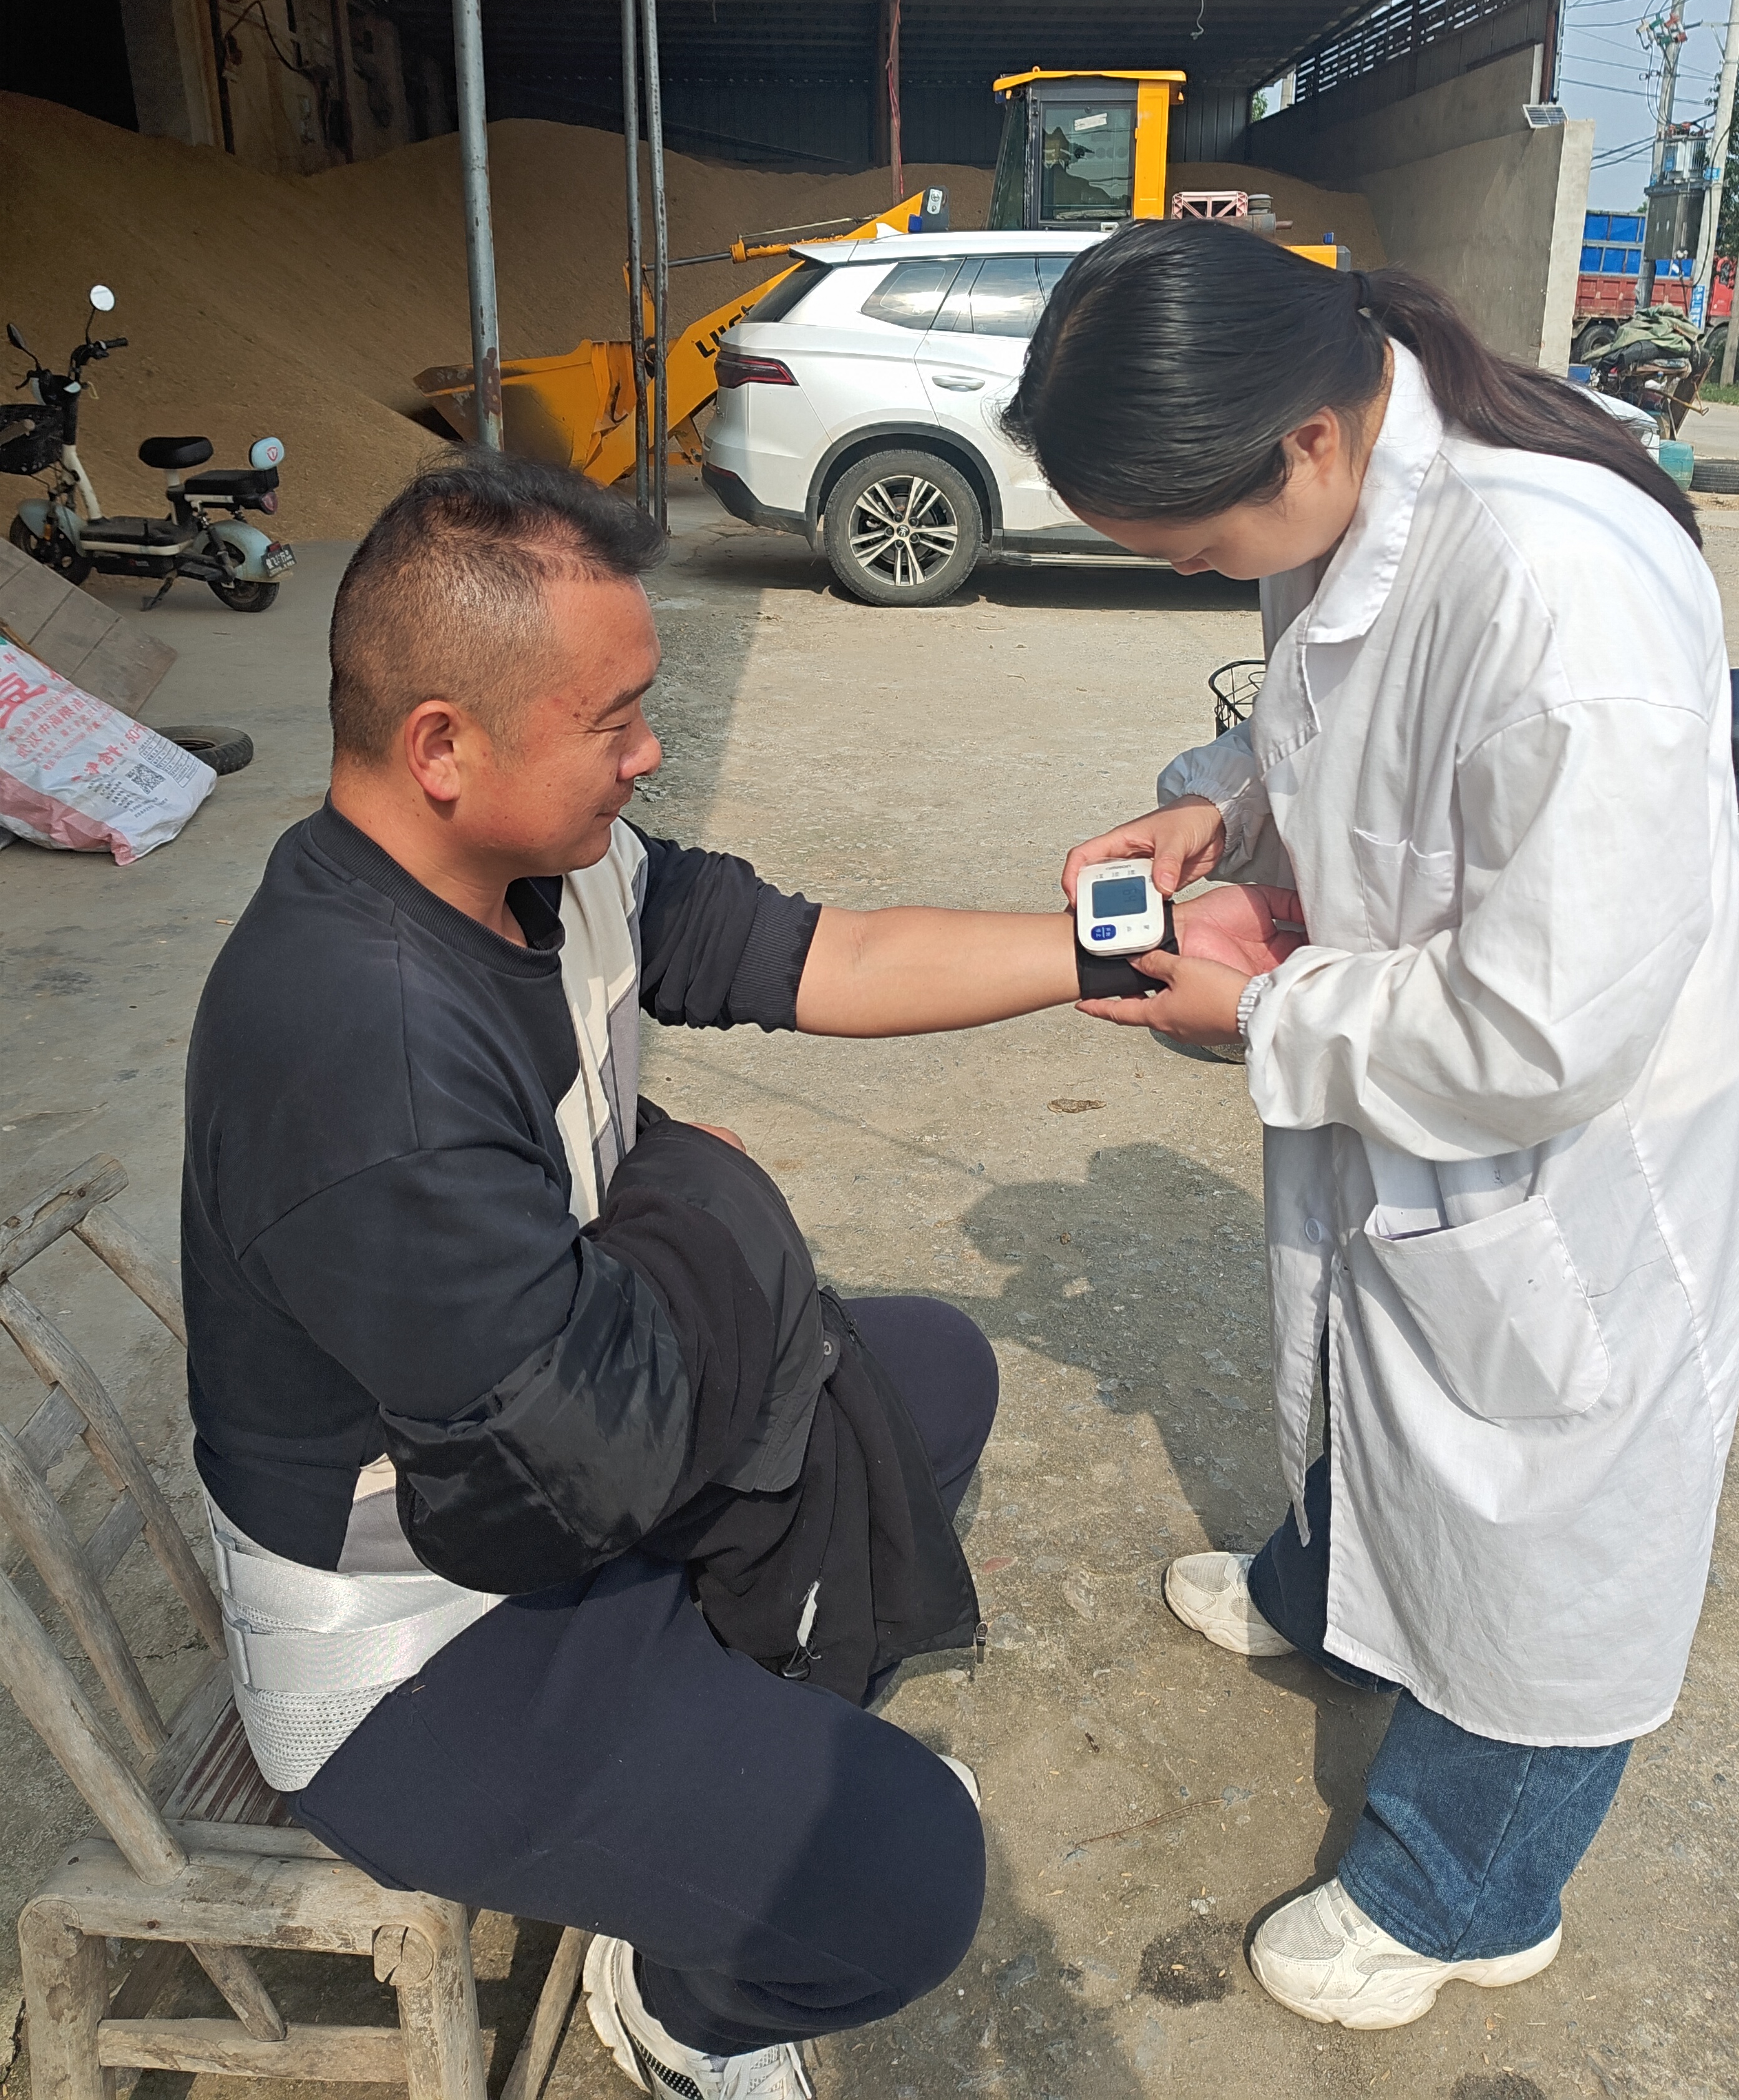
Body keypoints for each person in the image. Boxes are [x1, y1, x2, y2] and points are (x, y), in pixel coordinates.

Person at [182, 450, 1267, 2100]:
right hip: (426, 1629)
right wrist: (701, 1190)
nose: (649, 752)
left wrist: (1107, 951)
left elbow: (827, 953)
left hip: (568, 1463)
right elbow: (590, 1454)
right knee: (904, 1879)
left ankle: (724, 1745)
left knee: (930, 1378)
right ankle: (686, 2011)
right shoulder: (356, 1049)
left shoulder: (553, 868)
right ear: (442, 748)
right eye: (612, 720)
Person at [1003, 223, 1739, 2033]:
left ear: (1308, 442)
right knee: (1369, 1356)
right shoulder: (1350, 497)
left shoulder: (1563, 594)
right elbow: (1342, 726)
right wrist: (1223, 816)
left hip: (1560, 1152)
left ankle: (1466, 1892)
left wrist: (1260, 1013)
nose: (1201, 577)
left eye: (1196, 550)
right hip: (1411, 1086)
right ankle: (1327, 1578)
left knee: (1543, 1533)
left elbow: (1542, 1022)